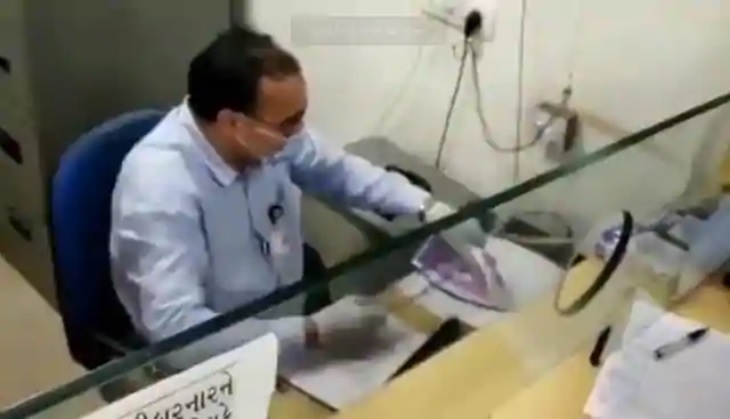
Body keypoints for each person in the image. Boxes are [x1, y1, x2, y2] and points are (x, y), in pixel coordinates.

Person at [110, 26, 482, 369]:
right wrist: (311, 332)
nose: (299, 132)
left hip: (289, 321)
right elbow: (178, 336)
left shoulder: (270, 138)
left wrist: (426, 207)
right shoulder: (159, 186)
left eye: (300, 117)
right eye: (288, 123)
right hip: (218, 361)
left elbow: (339, 171)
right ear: (232, 123)